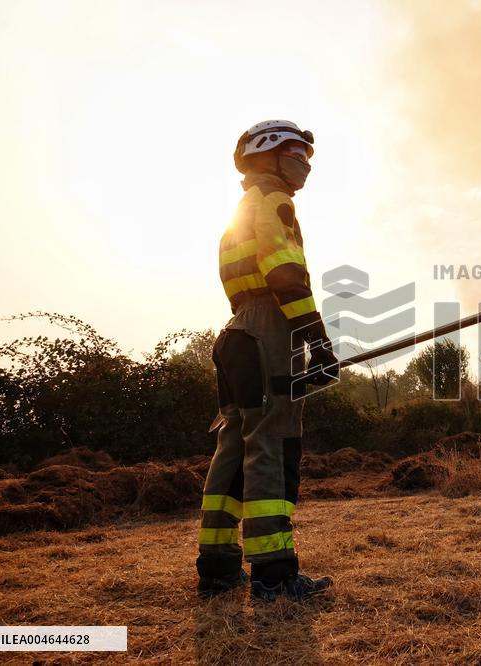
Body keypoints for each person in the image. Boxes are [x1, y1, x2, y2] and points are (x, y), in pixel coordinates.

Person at [196, 120, 339, 601]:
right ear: (268, 153)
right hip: (267, 327)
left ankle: (217, 567)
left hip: (235, 331)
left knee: (234, 445)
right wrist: (316, 339)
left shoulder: (240, 208)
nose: (306, 163)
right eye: (298, 152)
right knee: (272, 442)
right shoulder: (276, 202)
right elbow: (284, 274)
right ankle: (274, 574)